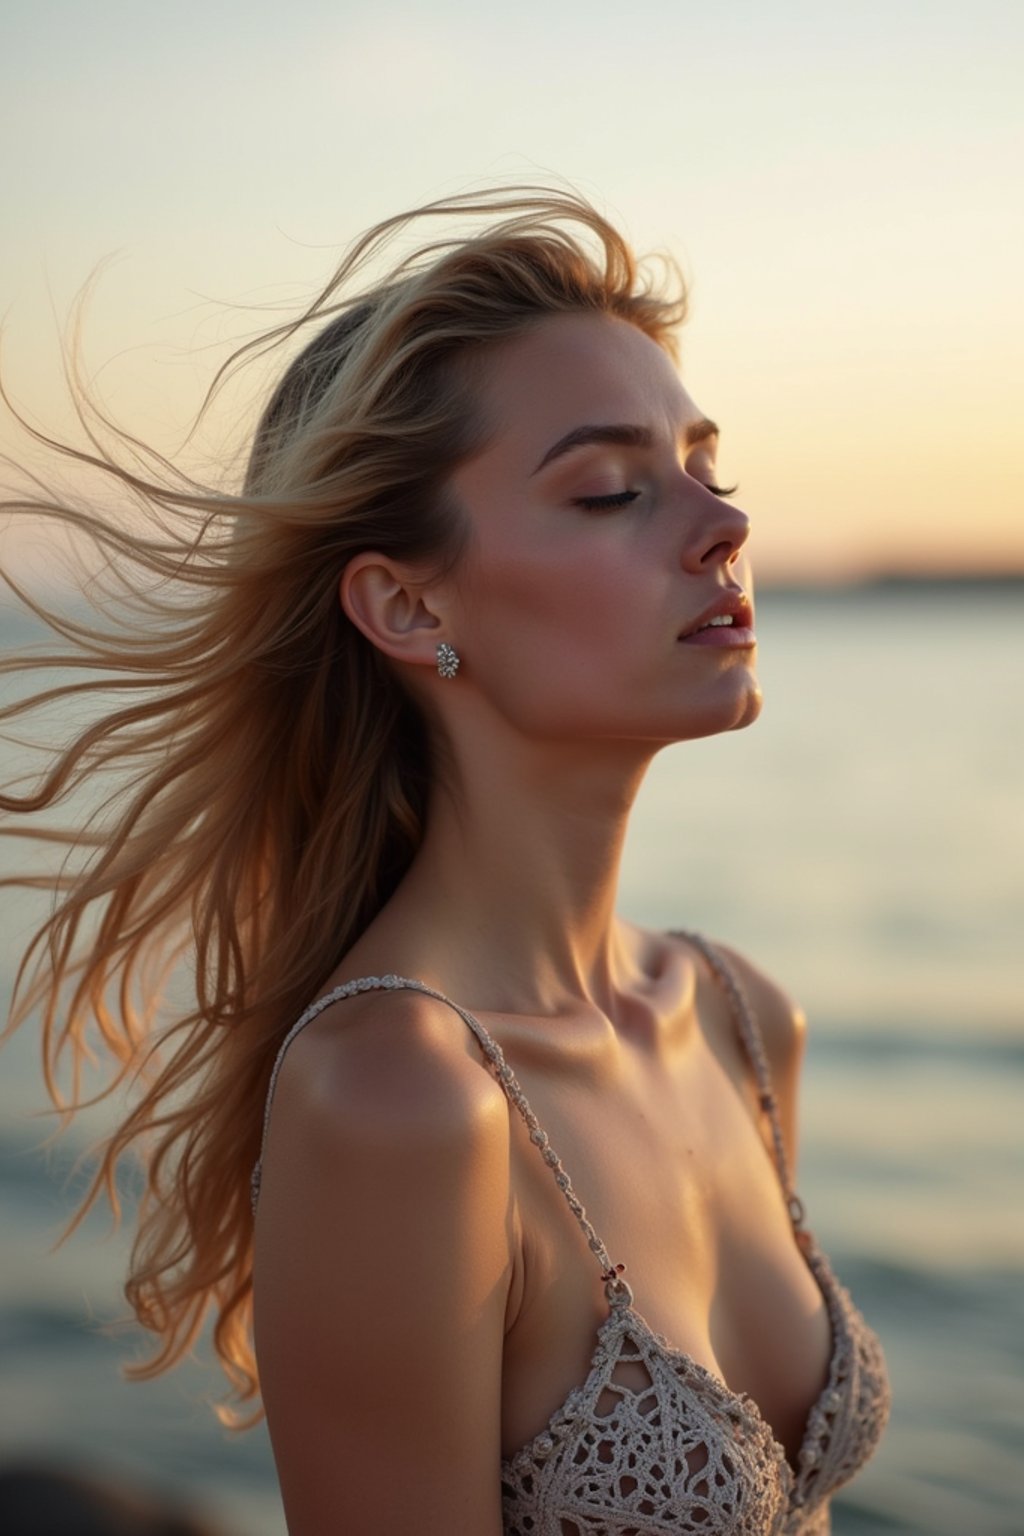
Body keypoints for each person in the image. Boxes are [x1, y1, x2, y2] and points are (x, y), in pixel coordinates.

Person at [2, 186, 889, 1534]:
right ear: (408, 606)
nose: (723, 525)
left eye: (710, 467)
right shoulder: (397, 1098)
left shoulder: (743, 1020)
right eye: (611, 491)